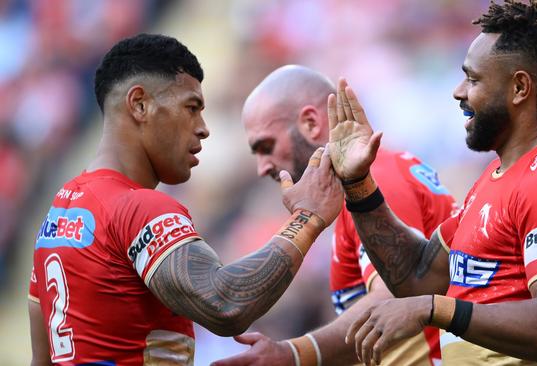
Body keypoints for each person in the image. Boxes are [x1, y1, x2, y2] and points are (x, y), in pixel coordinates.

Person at [28, 34, 342, 365]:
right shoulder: (139, 208)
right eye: (191, 108)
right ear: (139, 104)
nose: (203, 128)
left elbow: (41, 359)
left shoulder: (58, 215)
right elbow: (224, 303)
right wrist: (307, 218)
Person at [326, 1, 537, 365]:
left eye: (473, 79)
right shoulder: (494, 180)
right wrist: (359, 185)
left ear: (520, 87)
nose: (459, 92)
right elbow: (417, 278)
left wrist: (437, 309)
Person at [212, 65, 456, 366]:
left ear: (311, 124)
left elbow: (396, 298)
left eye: (266, 146)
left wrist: (295, 354)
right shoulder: (360, 186)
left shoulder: (374, 180)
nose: (262, 167)